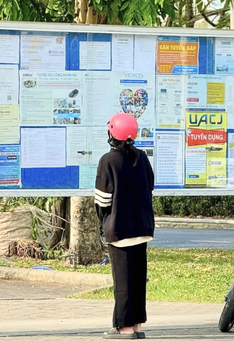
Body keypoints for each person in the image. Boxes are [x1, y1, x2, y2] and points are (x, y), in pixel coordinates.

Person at [95, 113, 155, 339]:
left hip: (119, 229)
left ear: (112, 134)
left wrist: (103, 223)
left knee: (123, 282)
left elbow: (102, 200)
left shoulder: (108, 161)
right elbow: (150, 186)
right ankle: (137, 325)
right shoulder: (142, 157)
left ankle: (124, 328)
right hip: (142, 228)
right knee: (138, 279)